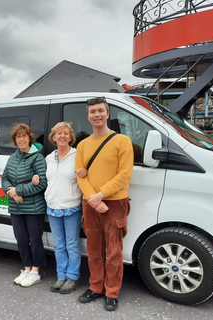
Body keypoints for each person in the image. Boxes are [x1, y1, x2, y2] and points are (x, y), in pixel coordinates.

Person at [75, 97, 134, 311]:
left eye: (100, 111)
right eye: (93, 112)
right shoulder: (82, 145)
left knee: (114, 251)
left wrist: (101, 195)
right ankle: (95, 287)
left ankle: (111, 292)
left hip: (115, 203)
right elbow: (80, 175)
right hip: (90, 203)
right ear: (88, 116)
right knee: (94, 250)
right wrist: (93, 198)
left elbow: (125, 174)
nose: (97, 115)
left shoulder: (122, 141)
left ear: (107, 114)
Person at [1, 123, 47, 287]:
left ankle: (35, 271)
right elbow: (4, 179)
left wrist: (19, 190)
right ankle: (27, 269)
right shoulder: (13, 157)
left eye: (24, 136)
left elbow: (41, 183)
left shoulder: (37, 157)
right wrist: (13, 193)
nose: (21, 139)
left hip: (34, 207)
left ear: (29, 137)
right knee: (21, 240)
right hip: (16, 206)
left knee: (34, 240)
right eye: (17, 137)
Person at [43, 122, 83, 294]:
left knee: (72, 244)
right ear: (53, 137)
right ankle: (61, 276)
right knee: (58, 245)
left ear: (71, 137)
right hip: (53, 207)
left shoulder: (77, 156)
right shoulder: (48, 158)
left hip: (71, 207)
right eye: (58, 133)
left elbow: (84, 179)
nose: (62, 136)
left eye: (66, 133)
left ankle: (72, 277)